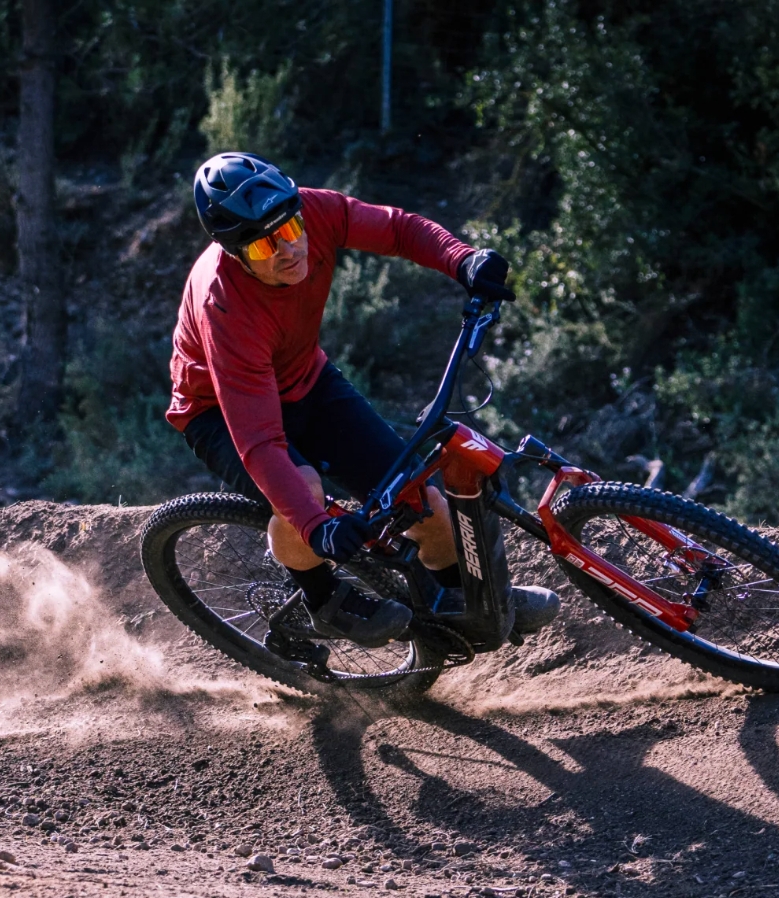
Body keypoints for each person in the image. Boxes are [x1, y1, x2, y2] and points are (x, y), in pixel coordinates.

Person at [166, 152, 560, 648]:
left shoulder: (314, 211)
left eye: (290, 230)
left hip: (305, 379)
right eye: (267, 244)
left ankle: (472, 602)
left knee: (423, 503)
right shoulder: (224, 306)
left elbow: (398, 230)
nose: (289, 249)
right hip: (219, 413)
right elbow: (261, 442)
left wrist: (463, 258)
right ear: (235, 253)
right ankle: (321, 601)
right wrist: (318, 529)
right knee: (304, 495)